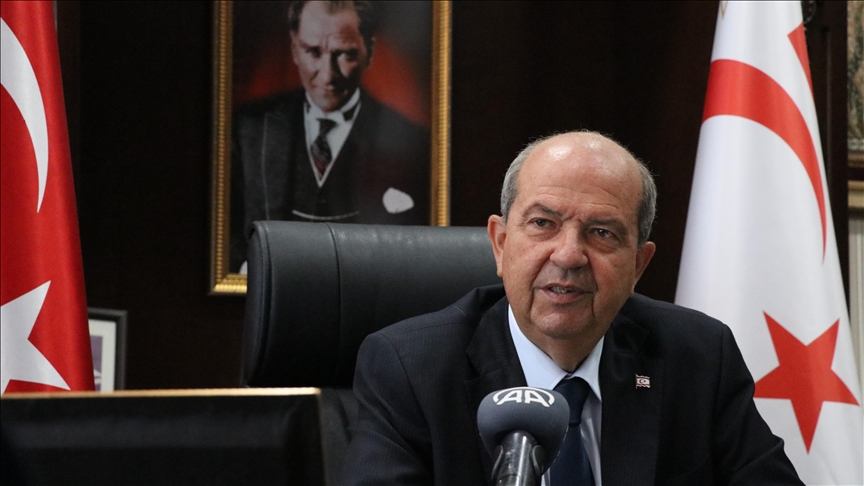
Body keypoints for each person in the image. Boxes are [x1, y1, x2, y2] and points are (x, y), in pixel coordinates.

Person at [340, 131, 803, 485]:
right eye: (543, 223)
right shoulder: (412, 368)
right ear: (500, 244)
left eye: (602, 233)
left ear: (638, 265)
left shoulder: (698, 355)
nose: (568, 255)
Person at [230, 0, 430, 272]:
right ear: (294, 50)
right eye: (313, 52)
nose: (327, 75)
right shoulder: (247, 130)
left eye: (344, 54)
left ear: (369, 52)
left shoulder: (412, 141)